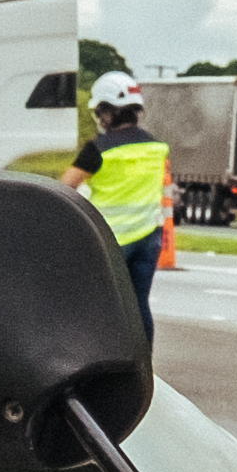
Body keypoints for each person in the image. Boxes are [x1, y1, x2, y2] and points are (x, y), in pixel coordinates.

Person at [68, 75, 167, 342]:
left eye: (101, 111)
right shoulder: (155, 147)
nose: (100, 118)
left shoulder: (97, 150)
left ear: (108, 110)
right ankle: (144, 365)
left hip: (111, 241)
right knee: (138, 305)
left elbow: (64, 189)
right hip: (149, 238)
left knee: (99, 306)